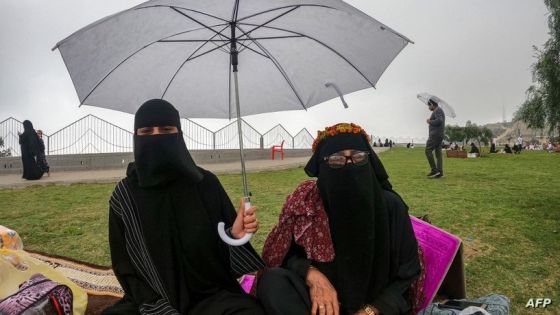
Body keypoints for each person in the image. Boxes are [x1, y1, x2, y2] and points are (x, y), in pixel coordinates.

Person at [103, 99, 265, 315]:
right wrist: (158, 308)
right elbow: (126, 268)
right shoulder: (124, 196)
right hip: (152, 301)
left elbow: (224, 260)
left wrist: (233, 236)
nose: (157, 137)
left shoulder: (205, 184)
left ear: (179, 134)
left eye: (166, 129)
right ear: (136, 137)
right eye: (147, 131)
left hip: (210, 296)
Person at [257, 123, 422, 315]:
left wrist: (370, 311)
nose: (349, 165)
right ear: (321, 165)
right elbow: (287, 255)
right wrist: (311, 274)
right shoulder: (308, 204)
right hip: (319, 305)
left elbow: (407, 273)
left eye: (358, 157)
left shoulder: (390, 206)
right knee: (272, 281)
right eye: (336, 160)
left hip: (374, 306)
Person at [425, 99, 445, 178]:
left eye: (429, 105)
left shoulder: (437, 110)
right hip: (439, 135)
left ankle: (434, 170)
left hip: (435, 135)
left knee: (428, 150)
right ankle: (439, 172)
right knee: (438, 154)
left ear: (432, 104)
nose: (428, 107)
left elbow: (439, 121)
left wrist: (429, 121)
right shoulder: (438, 110)